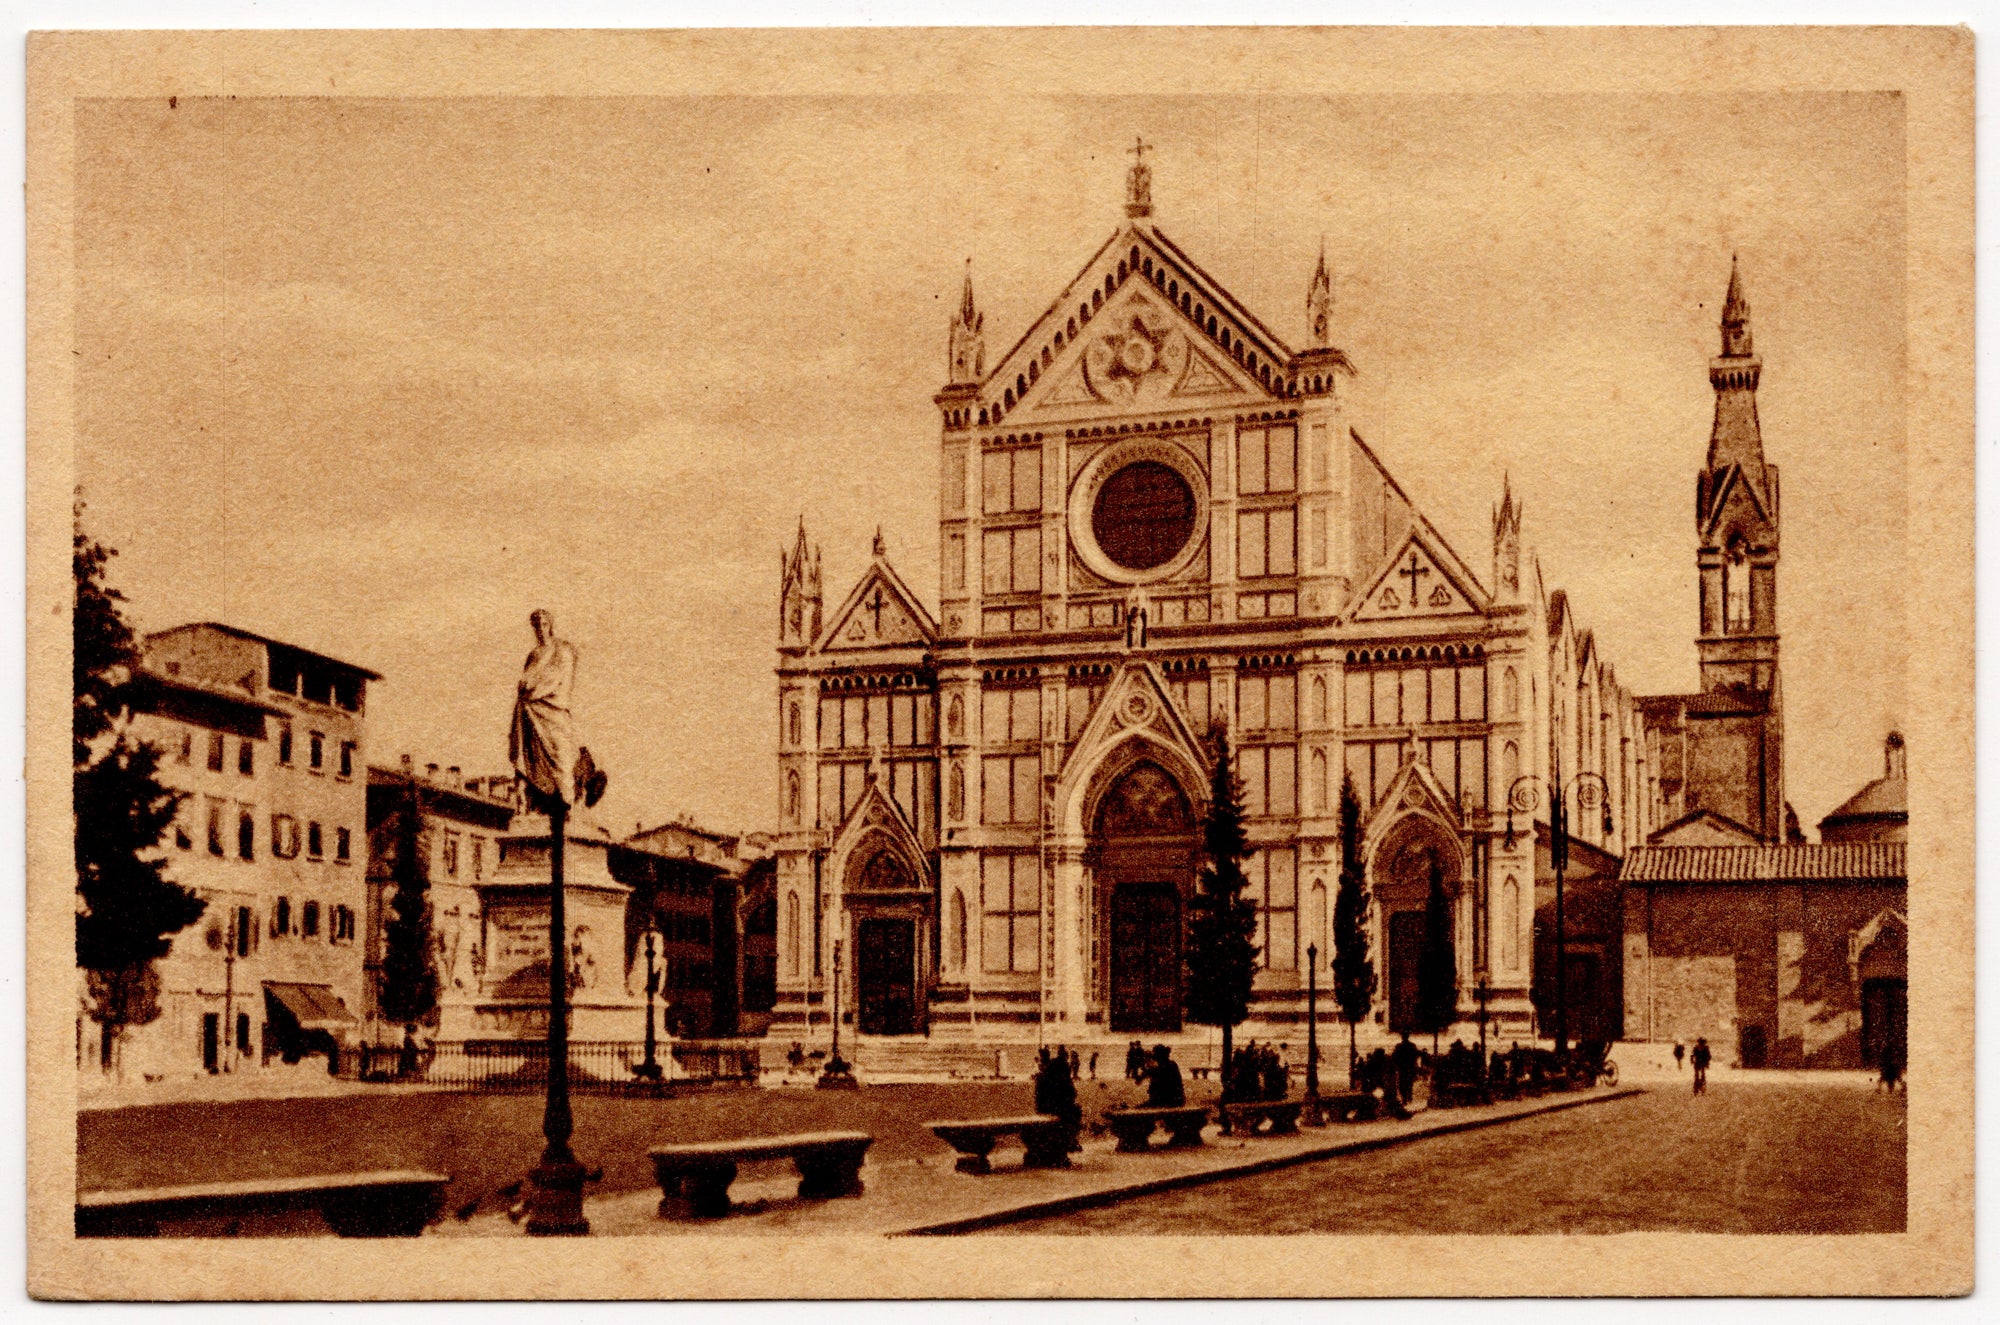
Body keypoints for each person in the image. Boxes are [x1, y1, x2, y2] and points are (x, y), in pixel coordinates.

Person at [1143, 1043, 1185, 1108]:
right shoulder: (1172, 1065)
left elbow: (1157, 1088)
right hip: (1176, 1100)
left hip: (1166, 1102)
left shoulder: (1162, 1068)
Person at [1392, 1032, 1420, 1108]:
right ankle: (1409, 1097)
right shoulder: (1412, 1046)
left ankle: (1405, 1098)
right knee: (1409, 1083)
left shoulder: (1399, 1046)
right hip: (1409, 1067)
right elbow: (1415, 1056)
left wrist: (1397, 1065)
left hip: (1402, 1068)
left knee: (1402, 1084)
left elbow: (1394, 1057)